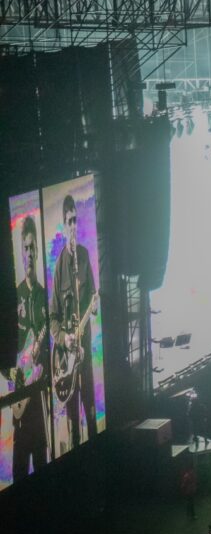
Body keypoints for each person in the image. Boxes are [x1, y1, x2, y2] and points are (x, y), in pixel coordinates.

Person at [49, 194, 99, 452]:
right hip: (67, 362)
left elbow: (94, 297)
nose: (72, 226)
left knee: (91, 413)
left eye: (75, 220)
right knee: (73, 427)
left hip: (85, 355)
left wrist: (95, 306)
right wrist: (63, 338)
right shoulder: (59, 268)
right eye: (68, 221)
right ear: (63, 223)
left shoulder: (85, 255)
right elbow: (53, 318)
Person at [6, 215, 50, 480]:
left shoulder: (44, 296)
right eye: (26, 247)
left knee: (43, 469)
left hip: (39, 408)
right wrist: (11, 373)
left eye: (33, 247)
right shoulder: (14, 297)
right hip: (20, 405)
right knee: (19, 472)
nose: (30, 253)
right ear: (21, 252)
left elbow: (48, 350)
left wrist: (41, 367)